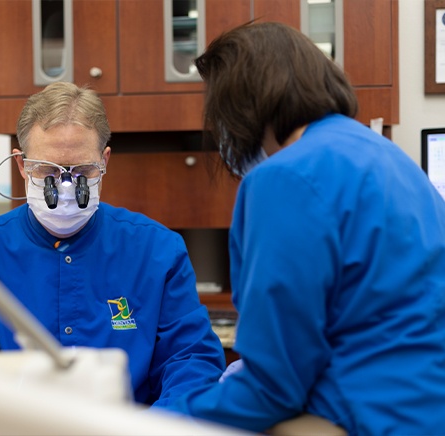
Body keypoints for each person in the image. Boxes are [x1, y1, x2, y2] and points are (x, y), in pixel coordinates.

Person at [169, 21, 445, 435]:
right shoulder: (390, 158)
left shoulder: (285, 177)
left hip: (371, 417)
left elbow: (274, 386)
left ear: (243, 105)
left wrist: (160, 420)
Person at [0, 81, 225, 408]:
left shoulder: (157, 252)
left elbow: (190, 362)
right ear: (21, 165)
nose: (66, 189)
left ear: (105, 161)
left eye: (82, 171)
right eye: (48, 171)